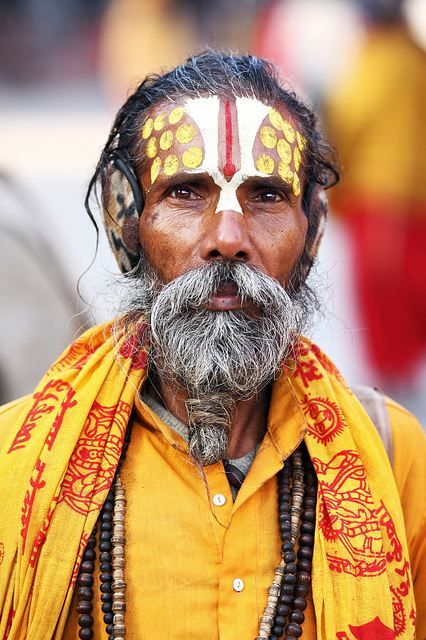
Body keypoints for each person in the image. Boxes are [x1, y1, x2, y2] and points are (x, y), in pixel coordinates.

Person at [0, 52, 424, 640]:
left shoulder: (396, 456)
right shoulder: (16, 462)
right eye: (186, 193)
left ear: (313, 234)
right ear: (127, 226)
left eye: (267, 197)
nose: (227, 239)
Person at [325, 0, 426, 391]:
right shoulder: (414, 58)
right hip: (410, 199)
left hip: (383, 198)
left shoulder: (380, 61)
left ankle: (393, 389)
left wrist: (335, 181)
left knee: (384, 293)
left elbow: (348, 119)